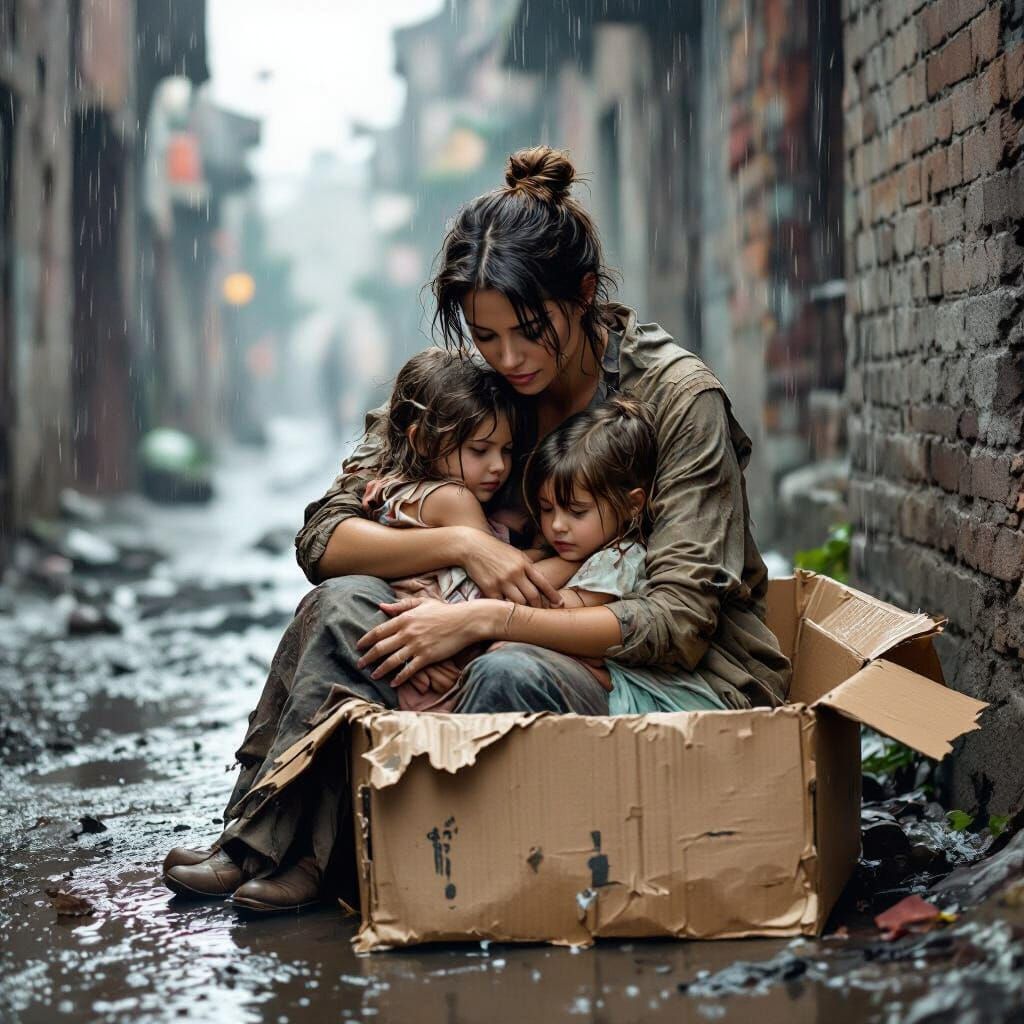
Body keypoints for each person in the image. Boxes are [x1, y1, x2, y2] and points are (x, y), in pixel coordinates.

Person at [162, 145, 792, 914]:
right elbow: (324, 537)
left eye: (528, 331)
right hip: (496, 629)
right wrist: (466, 545)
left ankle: (434, 870)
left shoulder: (676, 398)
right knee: (345, 606)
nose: (509, 359)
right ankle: (267, 845)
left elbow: (679, 623)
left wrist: (482, 620)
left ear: (584, 294)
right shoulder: (471, 390)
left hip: (662, 682)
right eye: (486, 336)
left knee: (506, 672)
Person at [513, 394, 730, 713]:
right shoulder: (579, 550)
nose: (557, 525)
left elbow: (550, 605)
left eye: (577, 511)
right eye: (547, 509)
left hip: (638, 694)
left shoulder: (621, 557)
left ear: (632, 505)